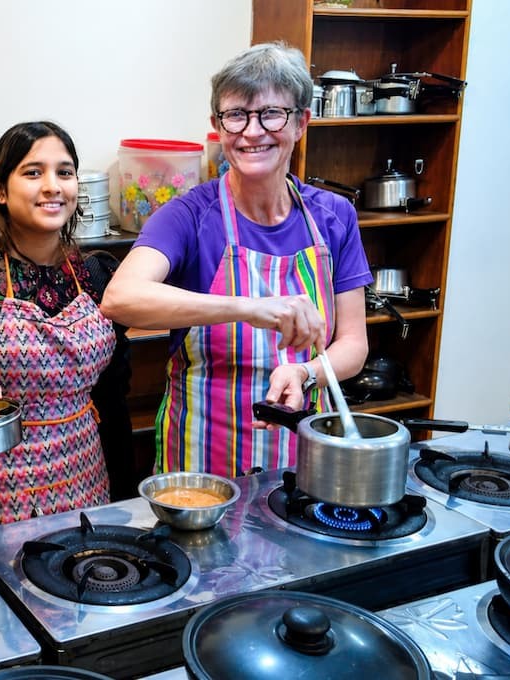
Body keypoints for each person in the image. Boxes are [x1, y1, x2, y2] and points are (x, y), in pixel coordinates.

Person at [101, 43, 372, 478]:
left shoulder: (334, 217)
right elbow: (120, 298)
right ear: (217, 125)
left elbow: (354, 346)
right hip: (202, 459)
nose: (252, 131)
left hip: (302, 451)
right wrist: (251, 308)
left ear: (302, 122)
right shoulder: (189, 215)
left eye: (271, 114)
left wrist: (304, 373)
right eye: (237, 115)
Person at [0, 121, 135, 528]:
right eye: (33, 172)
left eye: (64, 172)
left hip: (88, 479)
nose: (52, 186)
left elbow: (115, 394)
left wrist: (126, 494)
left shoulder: (96, 274)